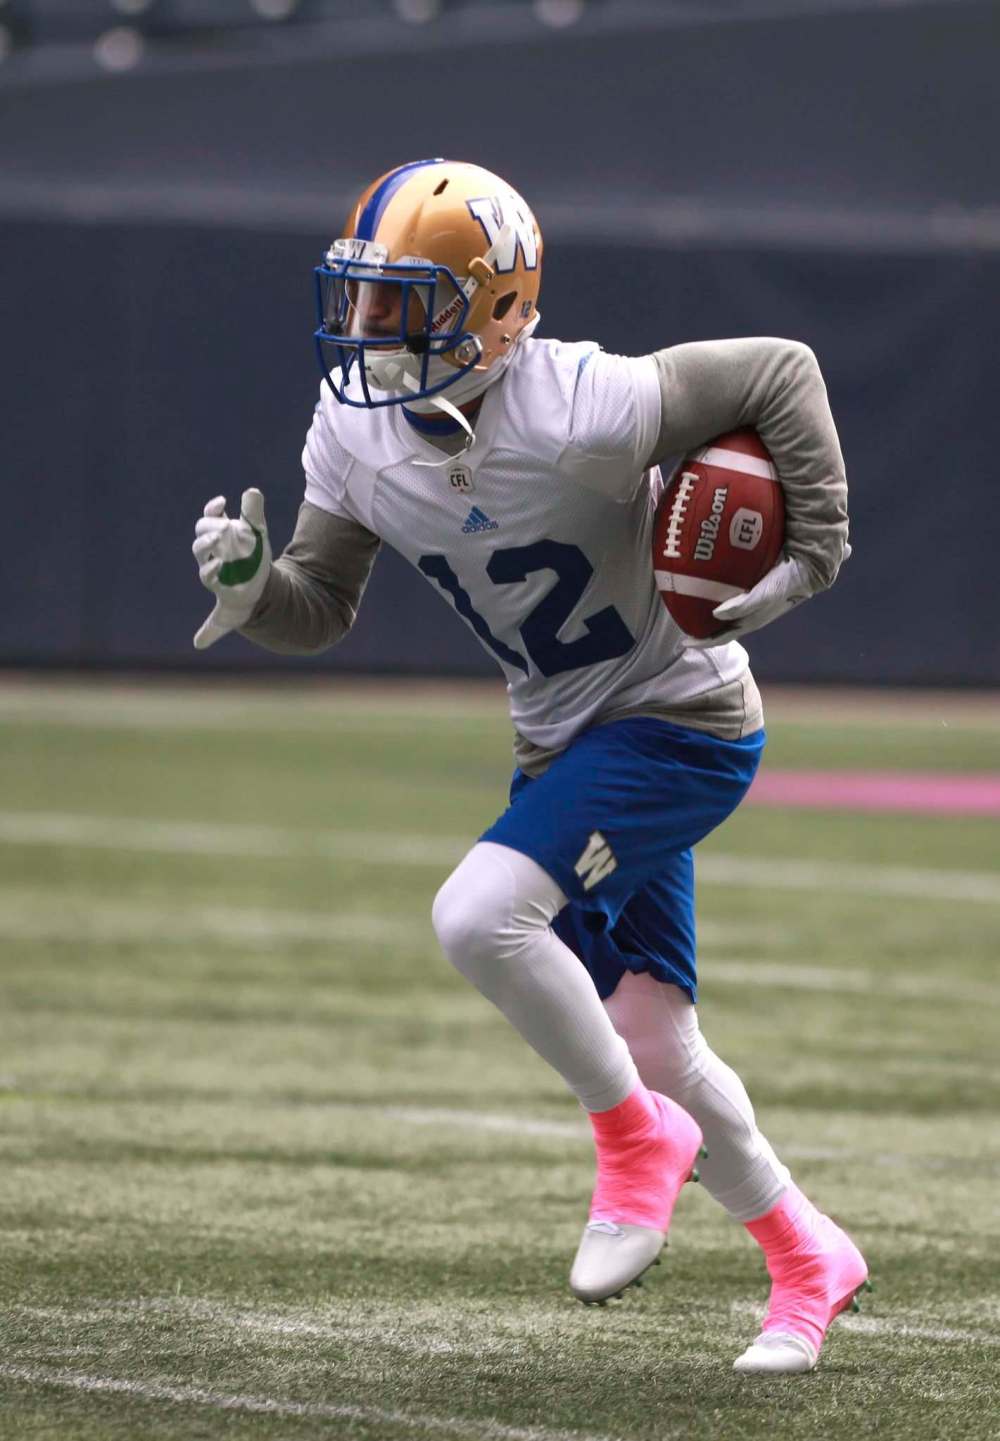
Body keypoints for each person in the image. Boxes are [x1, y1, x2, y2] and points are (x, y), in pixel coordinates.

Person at [191, 159, 869, 1375]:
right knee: (653, 1034)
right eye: (361, 299)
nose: (367, 333)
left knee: (479, 915)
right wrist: (251, 593)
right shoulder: (350, 428)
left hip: (681, 722)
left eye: (403, 305)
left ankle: (630, 1143)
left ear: (497, 312)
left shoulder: (581, 402)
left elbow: (781, 371)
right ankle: (809, 1256)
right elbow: (322, 601)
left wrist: (814, 537)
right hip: (562, 735)